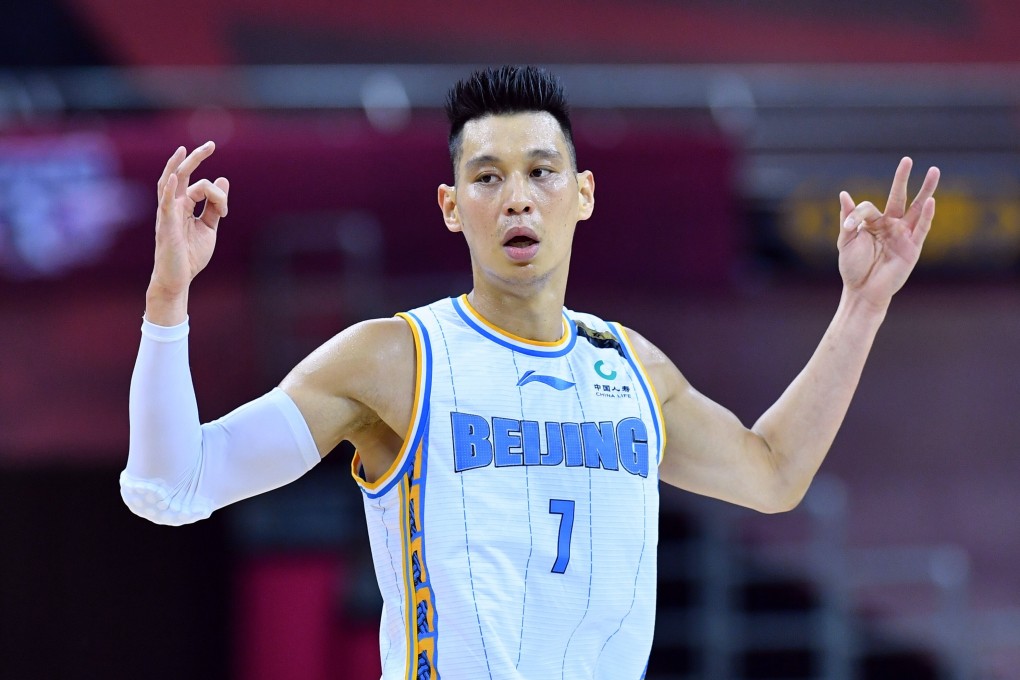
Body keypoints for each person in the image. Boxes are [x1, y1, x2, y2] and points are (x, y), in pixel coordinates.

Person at [121, 65, 939, 679]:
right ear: (451, 206)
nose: (518, 198)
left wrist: (861, 306)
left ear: (582, 193)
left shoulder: (632, 369)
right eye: (487, 177)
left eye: (541, 172)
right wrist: (167, 299)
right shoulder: (394, 360)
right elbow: (173, 485)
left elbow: (773, 473)